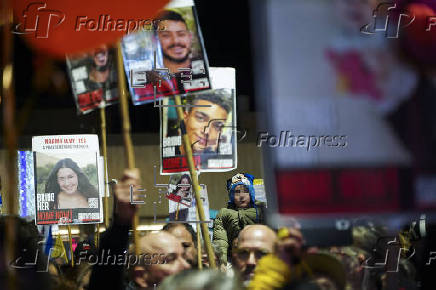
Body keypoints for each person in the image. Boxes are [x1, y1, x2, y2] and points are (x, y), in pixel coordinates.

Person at [213, 173, 265, 267]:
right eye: (237, 192)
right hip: (233, 260)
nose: (241, 196)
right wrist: (222, 263)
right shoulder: (224, 213)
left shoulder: (261, 210)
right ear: (232, 196)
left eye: (245, 191)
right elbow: (221, 241)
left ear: (251, 193)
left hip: (259, 258)